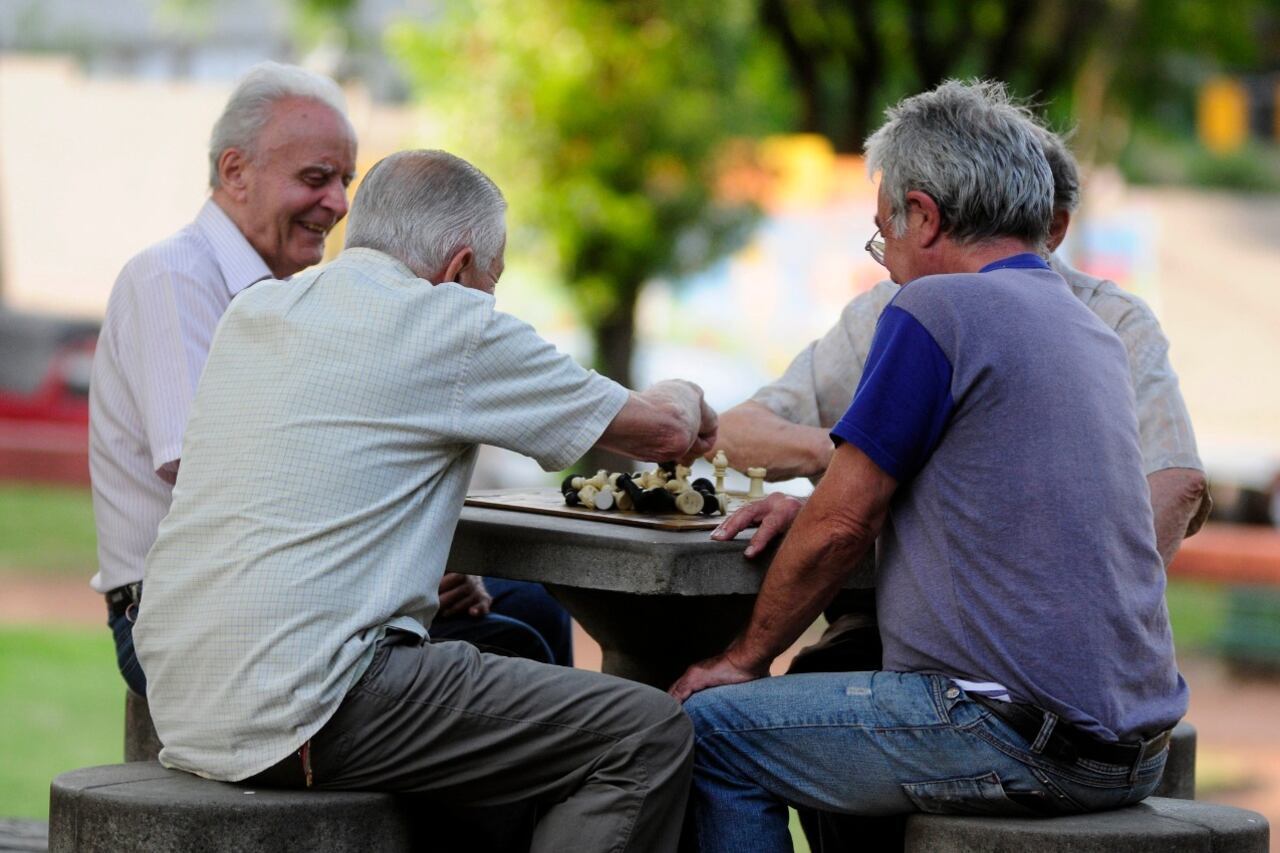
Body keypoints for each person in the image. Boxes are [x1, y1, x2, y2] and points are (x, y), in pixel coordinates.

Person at [134, 150, 715, 853]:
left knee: (514, 640)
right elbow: (664, 431)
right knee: (647, 732)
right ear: (460, 266)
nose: (488, 302)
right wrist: (688, 394)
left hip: (185, 695)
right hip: (307, 706)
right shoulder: (450, 322)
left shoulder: (256, 309)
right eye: (489, 285)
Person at [670, 80, 1188, 851]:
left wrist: (742, 659)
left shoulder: (935, 308)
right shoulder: (1091, 327)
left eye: (885, 234)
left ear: (926, 215)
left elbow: (844, 522)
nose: (887, 264)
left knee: (709, 729)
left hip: (1009, 735)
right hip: (1133, 748)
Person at [89, 63, 567, 702]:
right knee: (515, 644)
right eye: (315, 179)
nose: (340, 204)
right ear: (235, 172)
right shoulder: (172, 278)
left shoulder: (294, 294)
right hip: (188, 621)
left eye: (346, 181)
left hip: (291, 595)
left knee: (534, 603)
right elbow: (210, 473)